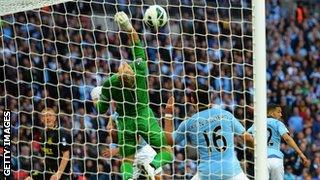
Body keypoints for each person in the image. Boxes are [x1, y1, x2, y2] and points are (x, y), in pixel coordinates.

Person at [90, 11, 172, 180]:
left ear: (119, 72)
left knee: (126, 160)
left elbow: (102, 109)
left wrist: (96, 100)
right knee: (167, 152)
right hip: (144, 116)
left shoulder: (109, 83)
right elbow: (137, 46)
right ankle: (153, 165)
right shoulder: (140, 71)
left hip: (126, 123)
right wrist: (128, 27)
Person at [163, 86, 254, 179]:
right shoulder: (226, 114)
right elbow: (247, 138)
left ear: (192, 100)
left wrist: (168, 113)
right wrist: (253, 150)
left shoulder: (188, 123)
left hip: (207, 174)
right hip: (231, 172)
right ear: (210, 99)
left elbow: (169, 140)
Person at [247, 104, 309, 180]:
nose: (281, 114)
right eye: (279, 112)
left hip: (261, 159)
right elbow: (287, 138)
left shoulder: (257, 123)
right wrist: (300, 153)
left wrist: (252, 149)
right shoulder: (277, 123)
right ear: (271, 113)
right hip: (275, 159)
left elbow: (247, 137)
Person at [25, 108, 71, 180]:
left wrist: (58, 174)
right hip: (47, 171)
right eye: (45, 116)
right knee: (28, 178)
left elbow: (66, 155)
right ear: (42, 119)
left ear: (55, 118)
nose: (48, 118)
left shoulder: (61, 133)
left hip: (61, 173)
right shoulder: (42, 134)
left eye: (50, 115)